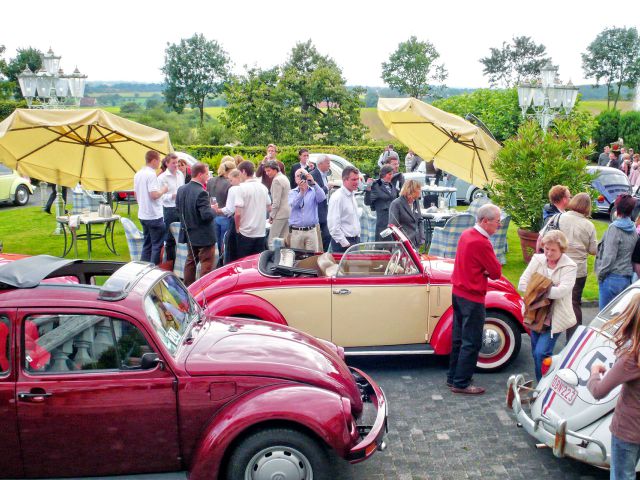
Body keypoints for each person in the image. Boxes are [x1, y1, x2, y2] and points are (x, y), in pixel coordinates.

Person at [447, 203, 503, 394]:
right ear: (485, 221)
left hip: (458, 292)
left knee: (458, 338)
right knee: (472, 341)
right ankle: (461, 383)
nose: (499, 225)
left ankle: (453, 377)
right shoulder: (482, 242)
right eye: (497, 221)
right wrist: (486, 270)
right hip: (472, 297)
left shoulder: (466, 234)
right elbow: (496, 272)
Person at [587, 293, 640, 480]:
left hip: (628, 430)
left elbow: (598, 391)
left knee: (622, 476)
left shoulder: (632, 357)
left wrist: (594, 372)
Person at [518, 230, 577, 382]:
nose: (548, 253)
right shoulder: (537, 259)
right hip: (534, 315)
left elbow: (562, 291)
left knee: (541, 353)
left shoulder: (570, 266)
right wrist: (547, 289)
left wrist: (536, 287)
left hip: (555, 316)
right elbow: (522, 283)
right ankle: (546, 382)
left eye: (553, 250)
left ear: (562, 250)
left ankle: (542, 386)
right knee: (536, 352)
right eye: (546, 249)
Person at [558, 193, 597, 340]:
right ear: (587, 207)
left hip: (559, 266)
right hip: (578, 269)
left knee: (553, 301)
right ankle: (573, 340)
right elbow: (593, 250)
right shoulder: (589, 225)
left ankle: (548, 338)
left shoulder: (559, 217)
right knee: (574, 303)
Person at [175, 162, 216, 286]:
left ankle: (188, 287)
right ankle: (204, 289)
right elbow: (206, 216)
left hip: (189, 232)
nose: (208, 177)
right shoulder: (201, 192)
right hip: (203, 235)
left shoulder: (181, 189)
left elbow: (178, 209)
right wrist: (213, 209)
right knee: (206, 264)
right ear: (200, 174)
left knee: (190, 261)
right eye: (206, 174)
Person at [596, 194, 638, 310]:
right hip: (626, 278)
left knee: (604, 318)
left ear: (617, 207)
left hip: (612, 277)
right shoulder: (633, 228)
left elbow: (609, 256)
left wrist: (601, 274)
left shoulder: (614, 228)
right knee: (617, 319)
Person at [134, 150, 168, 265]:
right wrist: (163, 190)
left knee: (147, 244)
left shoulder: (138, 174)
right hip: (154, 215)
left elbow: (136, 194)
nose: (159, 163)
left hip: (143, 214)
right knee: (156, 245)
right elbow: (154, 195)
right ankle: (153, 270)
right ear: (153, 160)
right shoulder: (151, 174)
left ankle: (143, 268)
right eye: (158, 160)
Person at [234, 161, 270, 259]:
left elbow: (237, 213)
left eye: (239, 173)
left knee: (243, 262)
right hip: (260, 232)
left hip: (245, 232)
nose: (239, 176)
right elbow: (269, 207)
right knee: (257, 262)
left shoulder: (241, 188)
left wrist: (237, 228)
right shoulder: (263, 187)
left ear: (244, 172)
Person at [157, 153, 185, 264]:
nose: (176, 165)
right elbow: (160, 196)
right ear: (167, 163)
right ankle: (170, 262)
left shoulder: (180, 174)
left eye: (177, 162)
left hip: (181, 208)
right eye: (173, 163)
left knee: (182, 236)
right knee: (169, 238)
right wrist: (172, 196)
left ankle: (181, 262)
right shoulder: (161, 178)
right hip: (169, 209)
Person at [328, 166, 361, 253]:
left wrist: (358, 236)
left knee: (355, 267)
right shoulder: (337, 197)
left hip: (354, 241)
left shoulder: (352, 194)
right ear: (344, 180)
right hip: (343, 245)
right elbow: (333, 226)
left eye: (357, 179)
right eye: (353, 179)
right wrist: (345, 243)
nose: (357, 182)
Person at [207, 159, 236, 257]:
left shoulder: (210, 181)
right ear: (230, 171)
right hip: (225, 216)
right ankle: (223, 264)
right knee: (225, 244)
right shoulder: (230, 184)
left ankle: (217, 263)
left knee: (216, 244)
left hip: (213, 216)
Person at [214, 169, 243, 264]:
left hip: (234, 219)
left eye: (231, 180)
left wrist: (218, 210)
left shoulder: (233, 189)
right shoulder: (250, 187)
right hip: (248, 221)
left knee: (227, 246)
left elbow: (229, 209)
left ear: (238, 177)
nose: (230, 183)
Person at [364, 165, 398, 241]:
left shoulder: (391, 185)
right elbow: (367, 202)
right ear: (383, 174)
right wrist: (368, 188)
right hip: (382, 220)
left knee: (392, 244)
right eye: (389, 174)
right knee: (382, 244)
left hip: (393, 219)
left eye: (392, 174)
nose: (391, 176)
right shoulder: (376, 185)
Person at [389, 180, 425, 248]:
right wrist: (400, 242)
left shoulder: (415, 201)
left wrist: (422, 238)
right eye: (419, 188)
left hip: (416, 243)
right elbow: (393, 226)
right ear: (412, 189)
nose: (420, 190)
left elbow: (420, 220)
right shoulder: (396, 204)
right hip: (403, 244)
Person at [264, 160, 291, 248]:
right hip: (287, 212)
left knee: (272, 240)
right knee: (284, 240)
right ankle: (284, 259)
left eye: (269, 170)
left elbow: (276, 202)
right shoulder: (284, 177)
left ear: (275, 169)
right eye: (266, 171)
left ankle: (273, 260)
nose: (267, 173)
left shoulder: (277, 180)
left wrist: (271, 215)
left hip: (280, 213)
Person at [310, 155, 332, 252]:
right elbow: (314, 193)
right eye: (327, 163)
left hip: (325, 208)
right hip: (317, 210)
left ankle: (324, 253)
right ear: (320, 164)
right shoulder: (313, 175)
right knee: (324, 235)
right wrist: (327, 188)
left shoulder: (324, 175)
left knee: (326, 235)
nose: (329, 165)